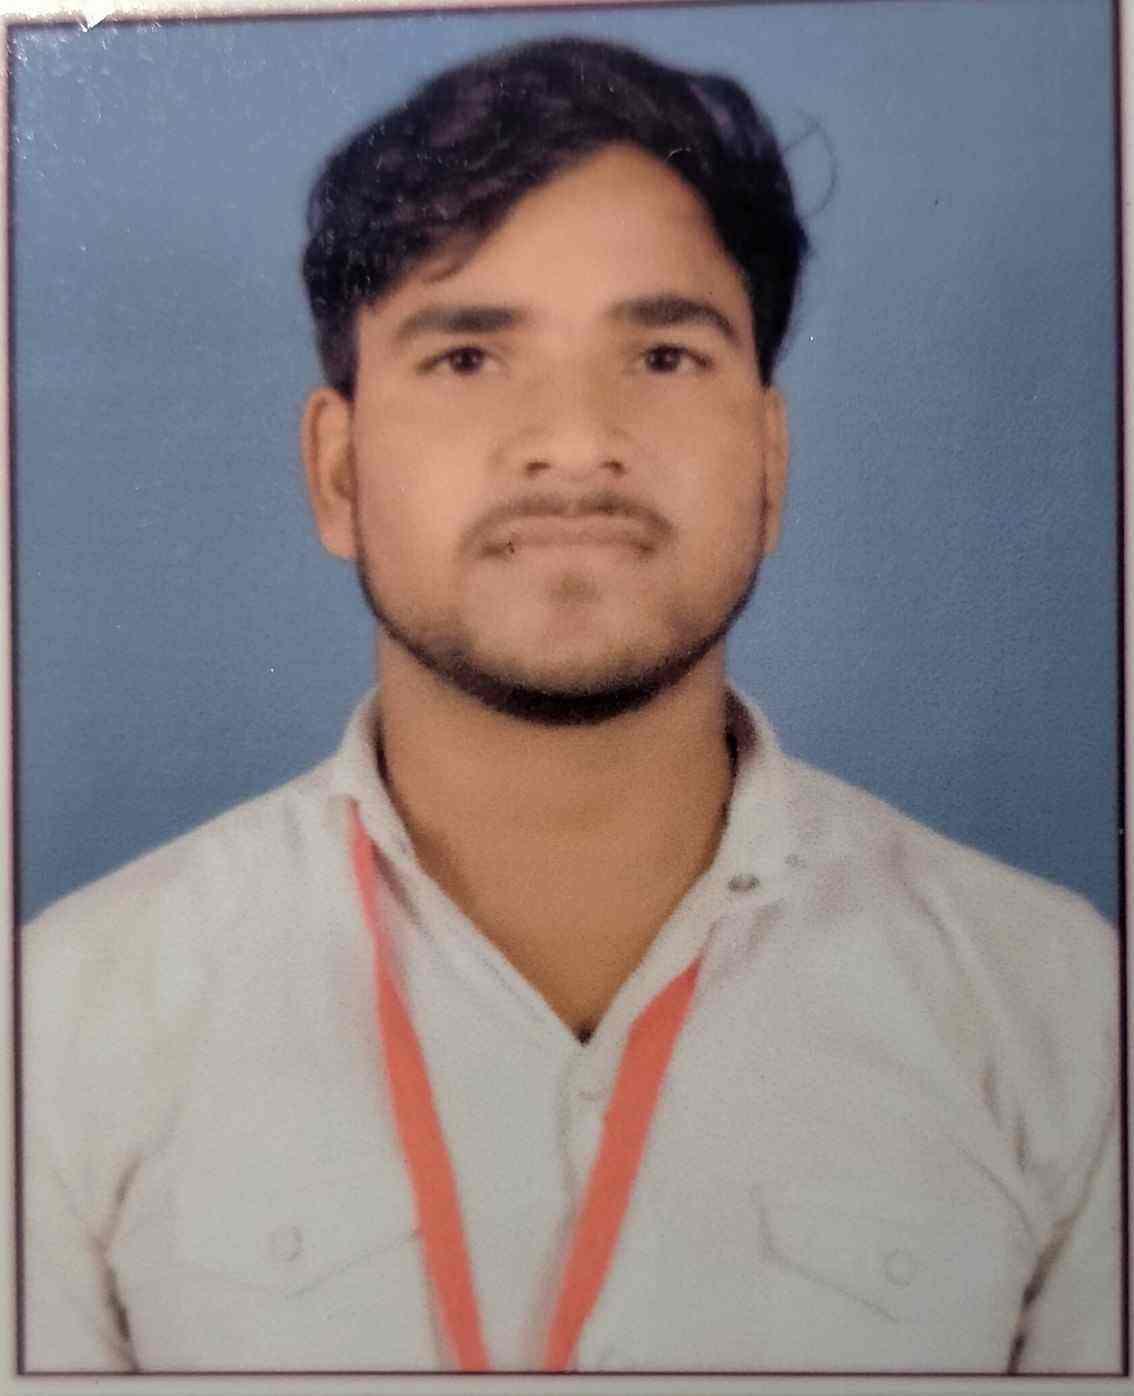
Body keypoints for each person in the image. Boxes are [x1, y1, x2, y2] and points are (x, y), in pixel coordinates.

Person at [22, 35, 1120, 1376]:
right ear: (337, 472)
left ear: (768, 463)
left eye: (661, 354)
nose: (576, 443)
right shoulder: (63, 1021)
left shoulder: (1057, 1009)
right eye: (467, 358)